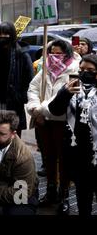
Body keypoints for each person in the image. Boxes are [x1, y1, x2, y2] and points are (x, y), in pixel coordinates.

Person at [26, 40, 79, 214]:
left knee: (64, 161)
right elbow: (33, 88)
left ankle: (64, 196)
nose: (55, 57)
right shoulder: (45, 68)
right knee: (48, 158)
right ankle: (50, 192)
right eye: (52, 53)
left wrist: (41, 110)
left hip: (63, 122)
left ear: (67, 53)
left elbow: (63, 98)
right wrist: (34, 107)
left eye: (59, 53)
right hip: (43, 123)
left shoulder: (75, 70)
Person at [48, 54, 97, 216]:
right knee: (83, 196)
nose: (85, 73)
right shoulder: (72, 87)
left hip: (95, 151)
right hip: (78, 152)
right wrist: (65, 93)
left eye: (90, 70)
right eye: (82, 69)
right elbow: (54, 110)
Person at [0, 22, 34, 135]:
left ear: (12, 35)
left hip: (13, 102)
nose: (2, 37)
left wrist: (20, 97)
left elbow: (29, 79)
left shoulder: (22, 55)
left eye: (5, 34)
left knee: (12, 135)